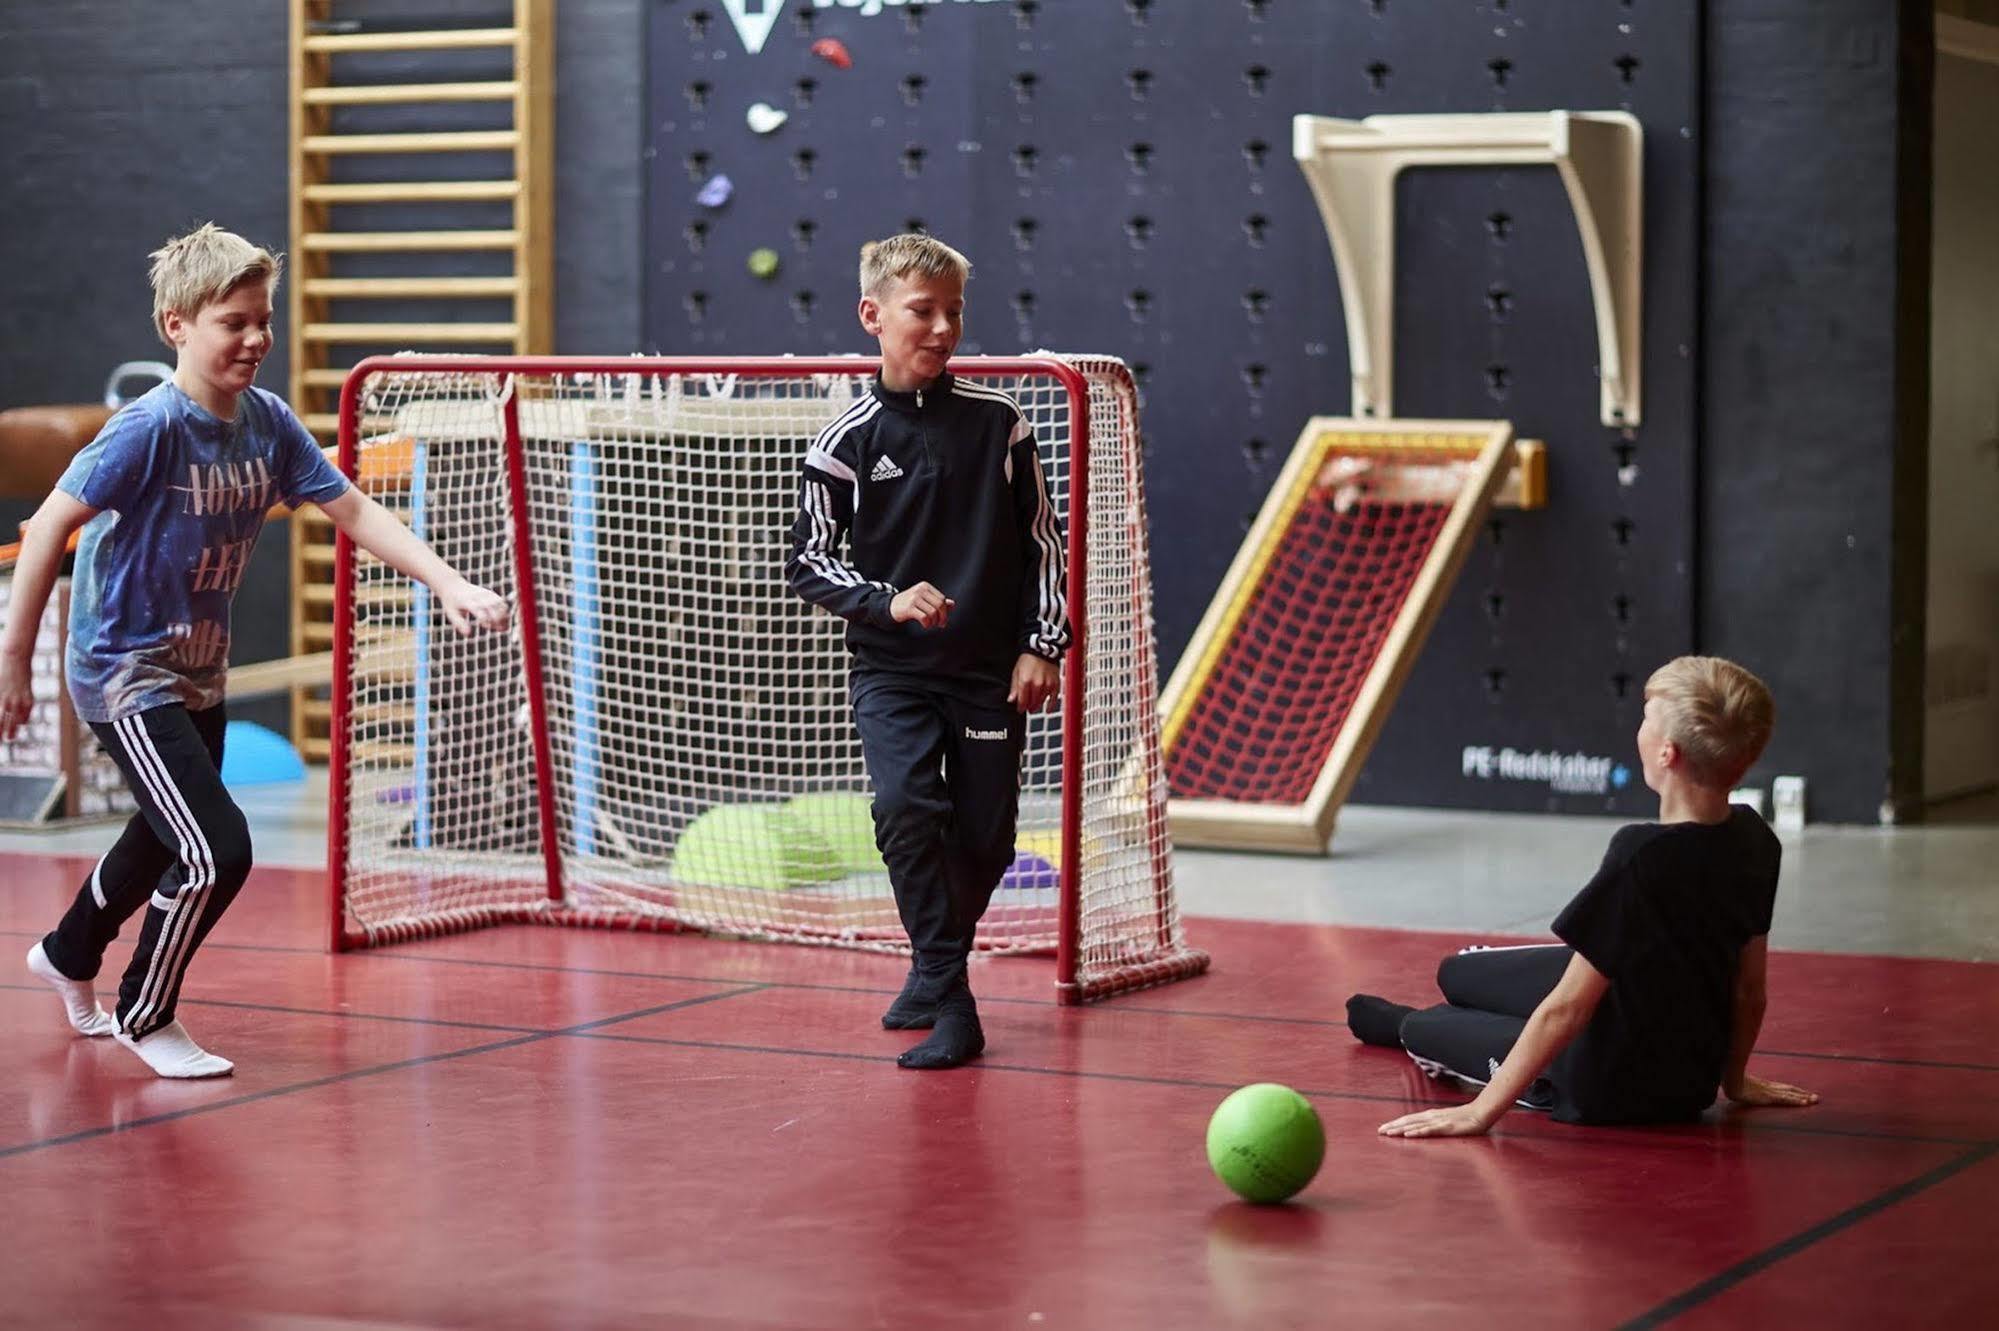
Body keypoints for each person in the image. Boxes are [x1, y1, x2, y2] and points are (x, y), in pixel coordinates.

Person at [1, 223, 507, 1078]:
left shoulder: (267, 423)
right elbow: (50, 522)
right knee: (216, 848)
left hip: (198, 669)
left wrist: (446, 581)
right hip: (125, 668)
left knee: (164, 837)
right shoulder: (149, 428)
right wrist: (15, 662)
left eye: (262, 320)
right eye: (232, 322)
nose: (254, 339)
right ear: (177, 326)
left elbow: (352, 509)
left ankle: (66, 950)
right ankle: (145, 1012)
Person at [784, 233, 1068, 1070]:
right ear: (872, 316)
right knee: (908, 810)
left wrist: (1040, 646)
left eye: (954, 312)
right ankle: (952, 996)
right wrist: (886, 599)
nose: (943, 328)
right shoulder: (844, 441)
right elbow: (806, 558)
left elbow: (1043, 544)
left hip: (989, 675)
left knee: (985, 843)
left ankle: (926, 964)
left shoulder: (1000, 424)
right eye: (922, 311)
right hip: (893, 674)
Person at [1347, 655, 1821, 1135]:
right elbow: (1750, 989)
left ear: (1667, 754)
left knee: (1427, 1028)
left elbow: (1568, 1008)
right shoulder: (1758, 839)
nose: (1640, 729)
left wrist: (1478, 1112)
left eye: (1647, 720)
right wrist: (1733, 1080)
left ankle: (1408, 1026)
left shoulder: (1642, 856)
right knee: (1457, 973)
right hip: (1685, 1069)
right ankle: (1453, 1015)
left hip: (1606, 1082)